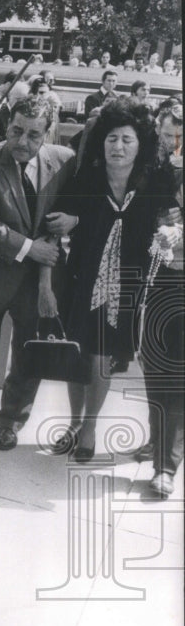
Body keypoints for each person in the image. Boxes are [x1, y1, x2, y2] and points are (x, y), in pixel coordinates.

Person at [49, 98, 178, 462]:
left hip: (128, 282)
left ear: (140, 144)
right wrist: (71, 220)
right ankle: (74, 423)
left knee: (102, 356)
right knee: (79, 352)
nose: (117, 147)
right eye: (111, 138)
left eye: (126, 139)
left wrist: (170, 229)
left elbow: (170, 219)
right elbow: (60, 217)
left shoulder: (156, 180)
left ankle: (89, 428)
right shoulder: (86, 177)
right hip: (83, 277)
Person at [0, 97, 77, 450]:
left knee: (27, 353)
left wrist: (74, 220)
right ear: (7, 125)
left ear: (47, 133)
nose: (22, 141)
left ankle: (11, 421)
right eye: (16, 130)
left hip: (38, 283)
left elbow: (81, 203)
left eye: (33, 135)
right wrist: (28, 248)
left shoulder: (65, 161)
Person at [137, 103, 183, 498]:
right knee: (154, 365)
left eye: (181, 138)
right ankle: (158, 439)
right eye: (169, 136)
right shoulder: (153, 170)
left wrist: (179, 232)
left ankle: (166, 465)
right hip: (157, 277)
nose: (175, 144)